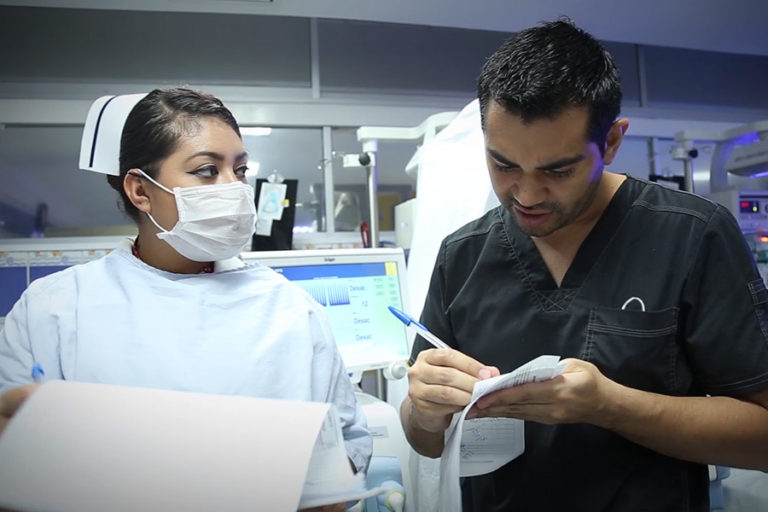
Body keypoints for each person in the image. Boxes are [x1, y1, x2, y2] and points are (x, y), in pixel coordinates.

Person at [400, 19, 768, 511]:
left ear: (612, 142)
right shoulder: (462, 254)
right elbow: (425, 440)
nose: (526, 196)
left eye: (558, 170)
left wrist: (610, 406)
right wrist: (423, 412)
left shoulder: (691, 235)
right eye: (503, 164)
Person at [0, 88, 371, 512]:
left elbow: (349, 445)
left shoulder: (289, 308)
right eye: (207, 171)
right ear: (141, 190)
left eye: (240, 169)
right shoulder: (55, 308)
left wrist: (331, 489)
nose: (234, 188)